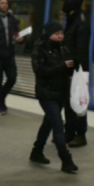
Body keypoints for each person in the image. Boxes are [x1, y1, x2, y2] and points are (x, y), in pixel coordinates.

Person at [30, 21, 78, 174]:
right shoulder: (40, 48)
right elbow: (39, 70)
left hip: (61, 93)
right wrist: (62, 66)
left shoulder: (63, 48)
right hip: (46, 93)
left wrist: (71, 72)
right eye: (56, 34)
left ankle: (36, 152)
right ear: (49, 34)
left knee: (48, 123)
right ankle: (66, 160)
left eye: (61, 33)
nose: (60, 36)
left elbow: (67, 67)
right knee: (58, 124)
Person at [62, 0, 91, 147]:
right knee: (69, 103)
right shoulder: (72, 21)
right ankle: (69, 132)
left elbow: (80, 49)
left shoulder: (80, 23)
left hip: (78, 70)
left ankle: (81, 134)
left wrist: (75, 71)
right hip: (70, 69)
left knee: (79, 102)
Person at [0, 0, 24, 115]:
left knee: (12, 78)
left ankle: (1, 97)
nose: (5, 5)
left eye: (6, 3)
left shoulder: (12, 19)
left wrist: (19, 39)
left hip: (9, 54)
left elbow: (15, 34)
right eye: (2, 3)